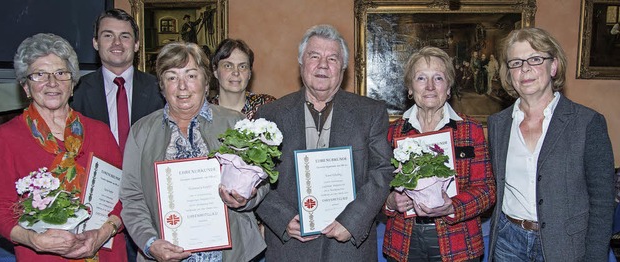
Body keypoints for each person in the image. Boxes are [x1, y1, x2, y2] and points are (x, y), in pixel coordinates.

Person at [254, 24, 394, 261]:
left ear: (343, 68)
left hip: (349, 248)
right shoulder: (270, 115)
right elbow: (255, 177)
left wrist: (352, 221)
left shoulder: (370, 112)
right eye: (314, 56)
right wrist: (282, 218)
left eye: (332, 58)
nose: (322, 65)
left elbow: (382, 171)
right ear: (301, 64)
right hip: (290, 248)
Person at [119, 41, 267, 262]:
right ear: (161, 85)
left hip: (232, 254)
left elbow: (262, 180)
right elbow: (132, 197)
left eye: (191, 75)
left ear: (206, 82)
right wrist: (150, 243)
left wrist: (247, 197)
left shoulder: (234, 123)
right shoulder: (142, 131)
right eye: (171, 77)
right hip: (165, 255)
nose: (182, 87)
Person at [0, 33, 126, 261]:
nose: (52, 83)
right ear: (26, 87)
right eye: (40, 75)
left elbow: (125, 196)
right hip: (42, 256)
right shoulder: (7, 137)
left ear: (72, 84)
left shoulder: (100, 132)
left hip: (105, 252)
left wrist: (104, 232)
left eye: (61, 73)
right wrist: (33, 240)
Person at [488, 27, 615, 261]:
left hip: (565, 245)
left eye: (535, 59)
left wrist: (595, 256)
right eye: (516, 63)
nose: (525, 69)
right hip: (508, 241)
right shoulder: (498, 124)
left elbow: (602, 201)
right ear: (509, 74)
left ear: (553, 66)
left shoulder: (588, 122)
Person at [382, 46, 496, 262]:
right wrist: (390, 201)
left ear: (449, 88)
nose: (430, 87)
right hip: (404, 241)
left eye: (439, 78)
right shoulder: (393, 132)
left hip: (458, 242)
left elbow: (487, 191)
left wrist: (454, 205)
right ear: (410, 88)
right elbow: (378, 184)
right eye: (421, 78)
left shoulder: (470, 129)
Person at [71, 8, 165, 153]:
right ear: (96, 43)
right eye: (108, 35)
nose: (117, 43)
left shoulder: (160, 89)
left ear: (136, 44)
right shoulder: (76, 91)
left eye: (125, 36)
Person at [208, 38, 276, 119]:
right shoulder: (205, 112)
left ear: (250, 73)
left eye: (242, 66)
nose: (236, 72)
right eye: (228, 66)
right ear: (215, 71)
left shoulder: (268, 106)